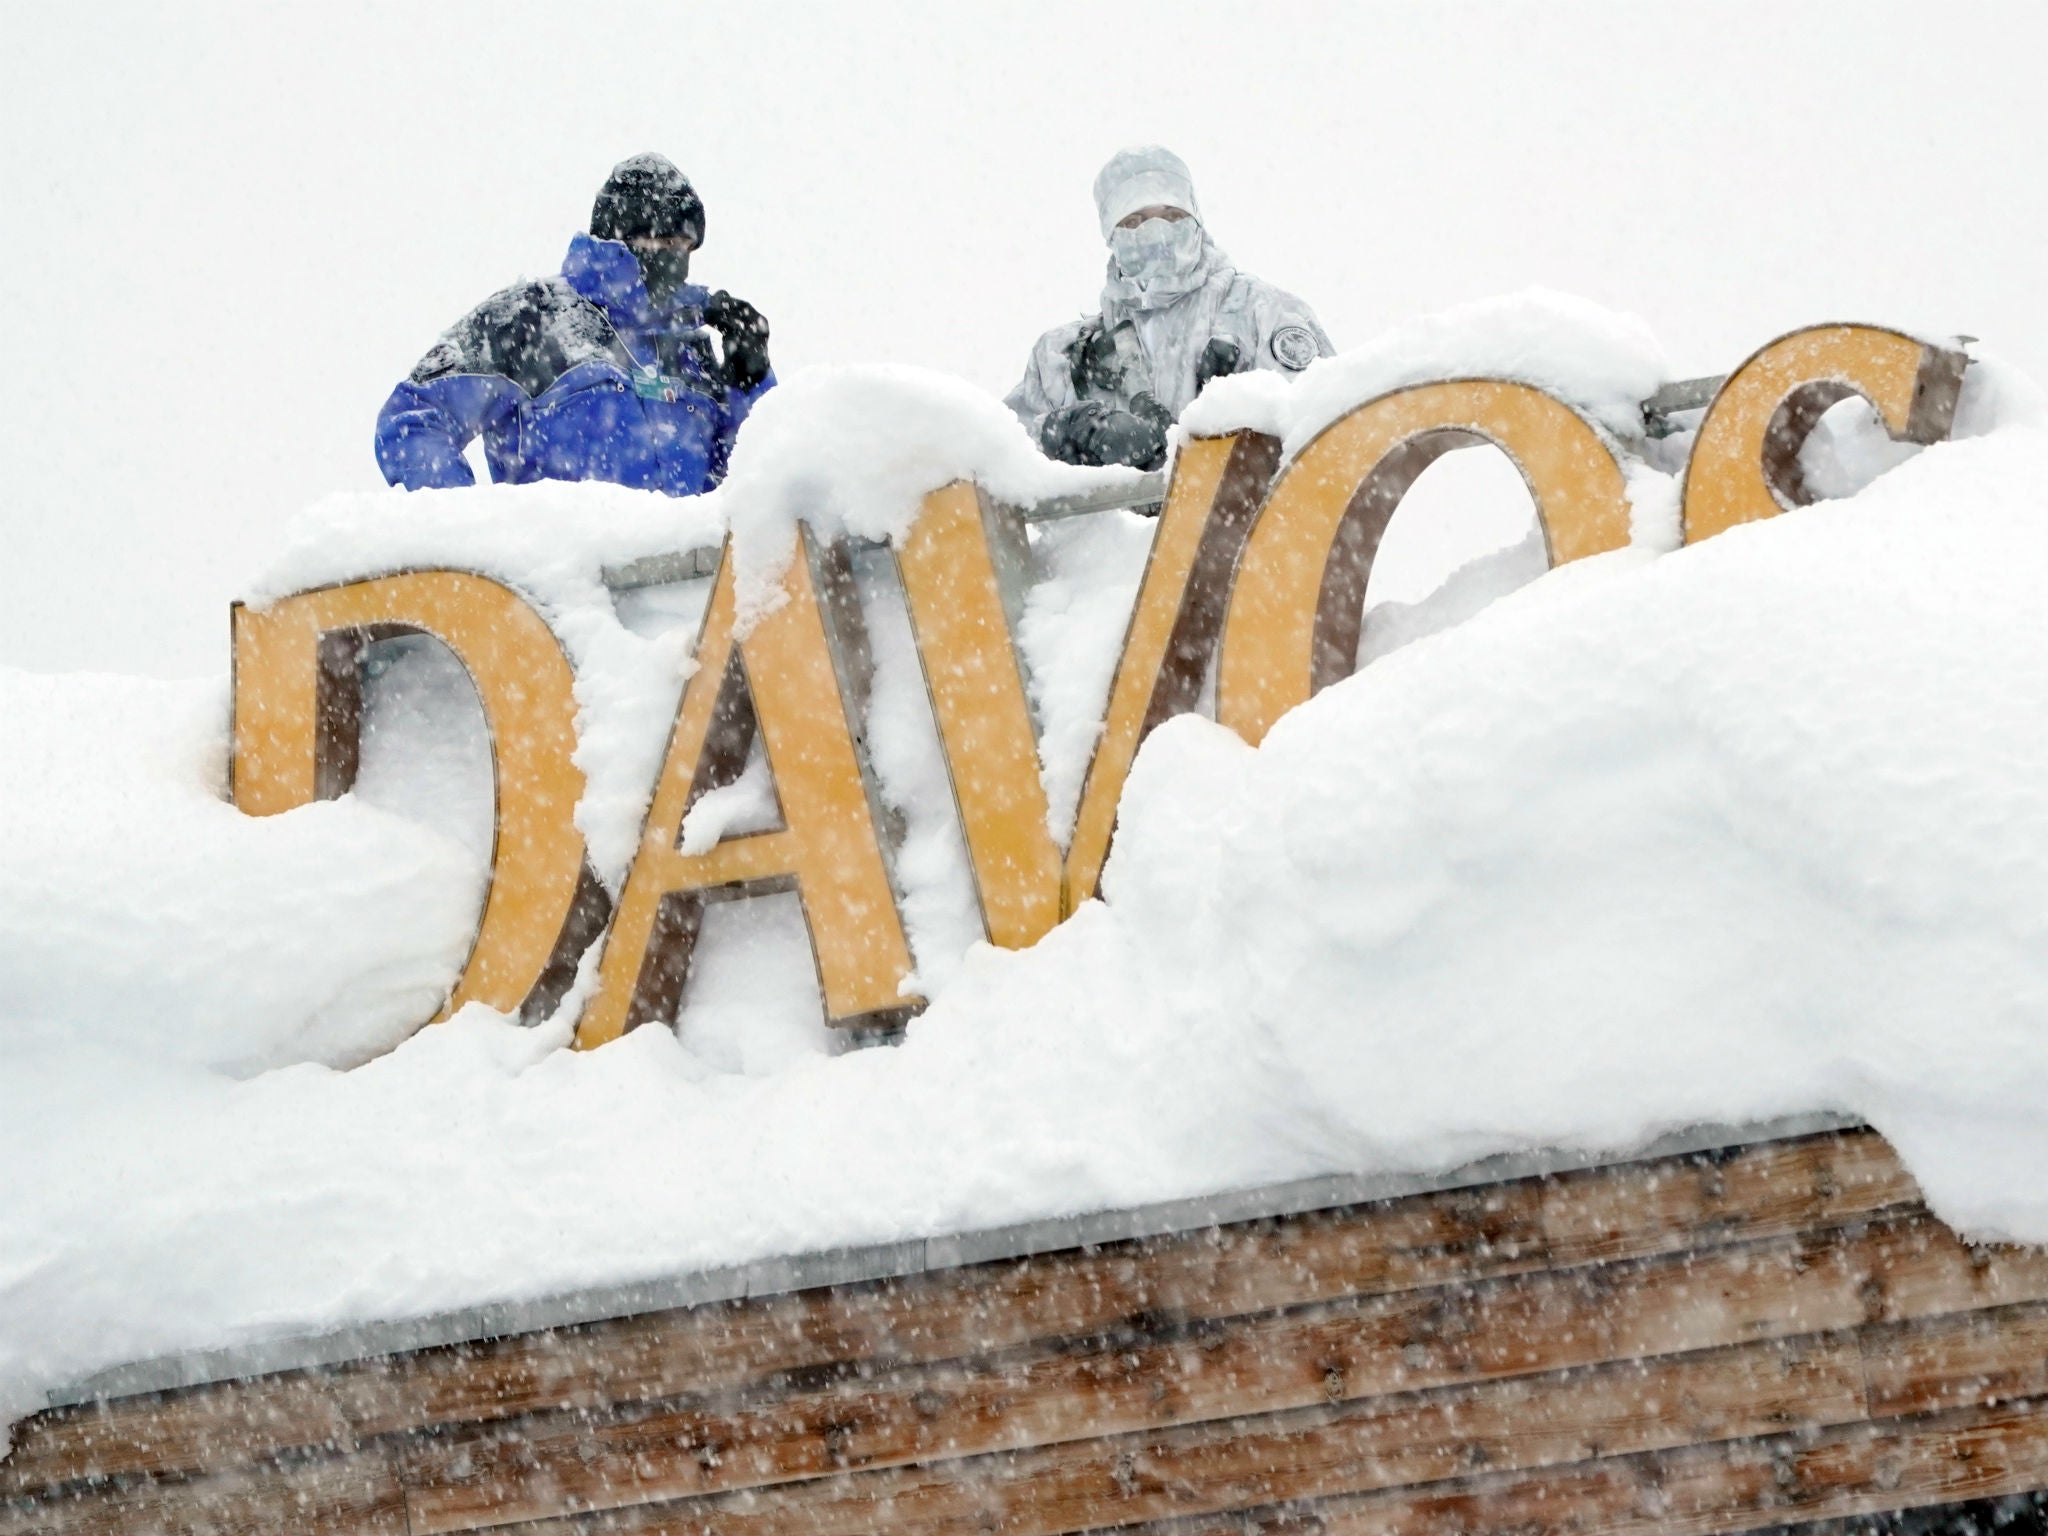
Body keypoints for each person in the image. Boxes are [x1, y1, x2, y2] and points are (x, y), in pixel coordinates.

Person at [375, 154, 773, 496]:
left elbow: (749, 485)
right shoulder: (530, 319)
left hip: (687, 582)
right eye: (665, 244)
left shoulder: (689, 348)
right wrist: (470, 541)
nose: (677, 260)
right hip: (567, 578)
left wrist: (751, 382)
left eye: (686, 248)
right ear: (623, 237)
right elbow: (412, 418)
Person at [1006, 145, 1333, 472]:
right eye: (1134, 221)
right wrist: (1065, 430)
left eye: (1172, 215)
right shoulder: (1063, 358)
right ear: (1111, 236)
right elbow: (996, 457)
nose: (1155, 231)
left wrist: (1232, 432)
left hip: (1247, 521)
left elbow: (1329, 429)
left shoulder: (1260, 314)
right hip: (1112, 524)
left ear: (1196, 220)